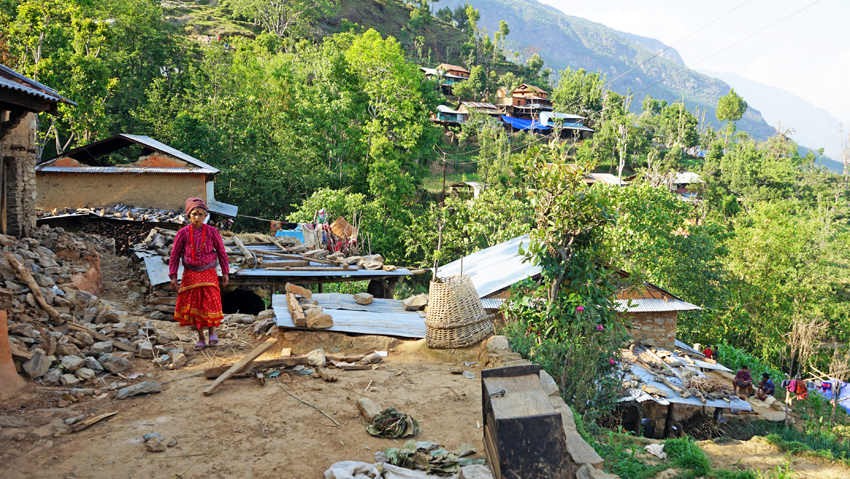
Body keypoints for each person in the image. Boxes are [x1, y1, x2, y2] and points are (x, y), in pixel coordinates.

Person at [169, 197, 229, 350]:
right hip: (191, 273)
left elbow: (221, 252)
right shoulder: (182, 233)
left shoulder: (212, 231)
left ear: (205, 216)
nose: (197, 217)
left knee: (209, 302)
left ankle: (212, 331)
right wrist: (173, 276)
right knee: (194, 305)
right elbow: (175, 255)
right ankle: (201, 337)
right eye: (194, 214)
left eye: (200, 214)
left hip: (209, 271)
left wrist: (226, 272)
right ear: (189, 215)